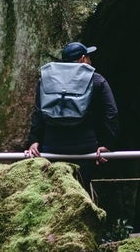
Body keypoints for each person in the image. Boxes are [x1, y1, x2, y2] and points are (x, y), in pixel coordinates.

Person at [25, 41, 119, 191]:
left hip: (52, 147)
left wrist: (34, 140)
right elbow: (111, 113)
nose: (90, 61)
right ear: (83, 59)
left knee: (54, 192)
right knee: (80, 189)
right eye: (89, 57)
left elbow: (38, 112)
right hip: (85, 148)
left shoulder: (46, 79)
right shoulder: (96, 79)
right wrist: (107, 144)